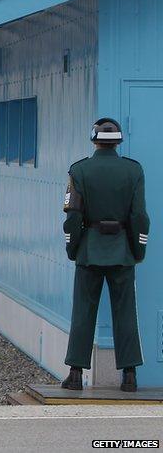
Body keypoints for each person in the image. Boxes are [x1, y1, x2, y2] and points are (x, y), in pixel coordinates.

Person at [62, 117, 149, 392]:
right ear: (119, 141)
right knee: (125, 313)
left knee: (83, 312)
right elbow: (139, 217)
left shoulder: (80, 170)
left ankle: (75, 374)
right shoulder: (133, 171)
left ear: (94, 139)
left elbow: (73, 217)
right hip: (122, 251)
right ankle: (130, 375)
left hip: (89, 251)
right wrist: (137, 250)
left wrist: (73, 247)